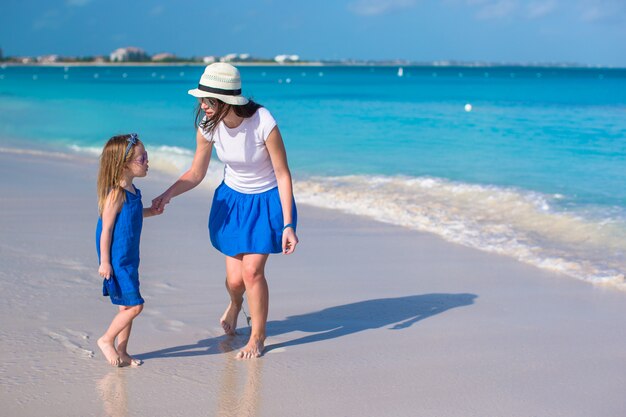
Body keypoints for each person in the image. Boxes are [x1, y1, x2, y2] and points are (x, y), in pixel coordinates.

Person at [151, 63, 299, 359]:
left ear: (226, 101)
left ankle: (258, 336)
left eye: (208, 100)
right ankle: (235, 305)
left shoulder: (262, 121)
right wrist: (167, 195)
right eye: (202, 99)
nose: (202, 105)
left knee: (252, 272)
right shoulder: (208, 125)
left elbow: (283, 174)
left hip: (266, 200)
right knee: (235, 281)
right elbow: (196, 173)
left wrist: (288, 224)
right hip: (232, 202)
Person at [96, 133, 159, 367]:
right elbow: (106, 230)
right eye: (142, 158)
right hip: (117, 257)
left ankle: (122, 351)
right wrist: (105, 261)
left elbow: (131, 216)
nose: (147, 162)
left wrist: (150, 212)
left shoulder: (133, 191)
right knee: (135, 306)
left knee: (126, 305)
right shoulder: (116, 194)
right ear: (124, 164)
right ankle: (106, 340)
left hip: (131, 256)